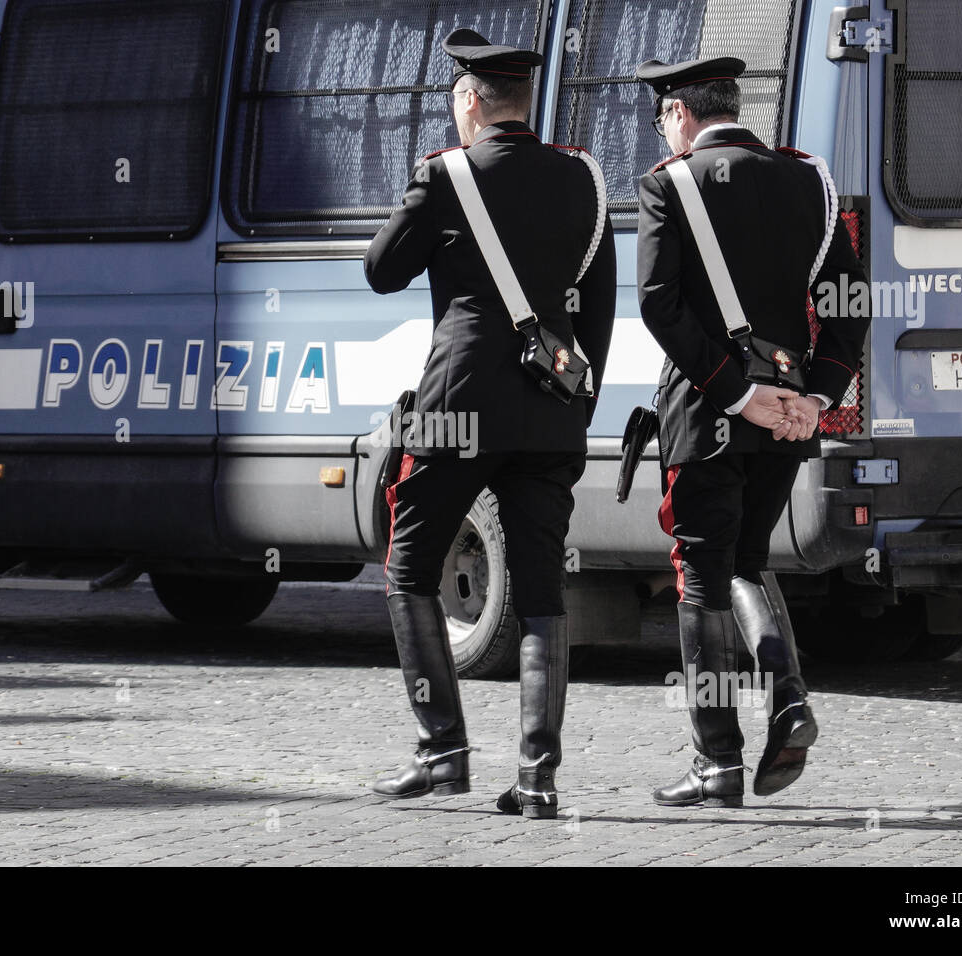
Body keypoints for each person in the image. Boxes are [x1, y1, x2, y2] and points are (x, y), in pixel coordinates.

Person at [364, 28, 616, 819]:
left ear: (469, 103)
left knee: (409, 567)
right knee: (543, 593)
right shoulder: (584, 177)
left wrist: (425, 197)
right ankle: (537, 780)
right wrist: (580, 405)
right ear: (522, 102)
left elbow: (380, 271)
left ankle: (441, 751)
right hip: (551, 407)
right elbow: (598, 309)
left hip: (458, 403)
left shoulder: (444, 176)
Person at [634, 56, 869, 807]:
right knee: (745, 560)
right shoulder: (811, 181)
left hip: (707, 414)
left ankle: (717, 761)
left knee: (702, 579)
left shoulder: (668, 184)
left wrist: (737, 395)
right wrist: (814, 396)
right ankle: (789, 703)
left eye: (663, 119)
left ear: (678, 112)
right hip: (791, 412)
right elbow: (846, 305)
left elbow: (658, 308)